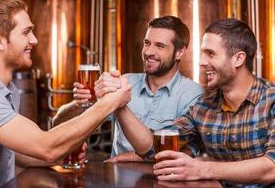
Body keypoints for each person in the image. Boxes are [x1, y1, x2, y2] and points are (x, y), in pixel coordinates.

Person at [0, 0, 131, 187]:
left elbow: (14, 152)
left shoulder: (5, 90)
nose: (35, 40)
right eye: (26, 32)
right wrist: (109, 103)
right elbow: (47, 146)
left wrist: (57, 159)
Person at [108, 18, 275, 187]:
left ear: (238, 59)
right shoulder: (203, 107)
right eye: (202, 53)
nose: (201, 62)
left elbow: (272, 167)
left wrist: (203, 169)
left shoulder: (271, 100)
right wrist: (119, 104)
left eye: (210, 54)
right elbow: (156, 148)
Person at [73, 16, 203, 161]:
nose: (148, 52)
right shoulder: (125, 81)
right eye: (147, 43)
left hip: (165, 179)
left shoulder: (193, 94)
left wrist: (124, 158)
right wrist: (82, 101)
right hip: (118, 179)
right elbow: (66, 126)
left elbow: (176, 152)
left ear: (180, 52)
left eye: (160, 46)